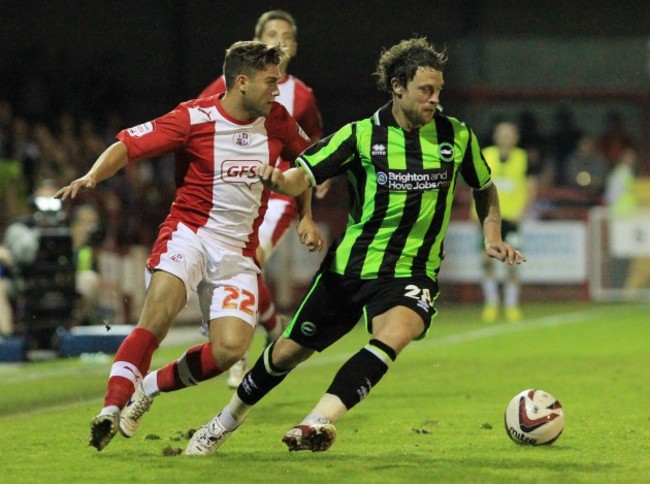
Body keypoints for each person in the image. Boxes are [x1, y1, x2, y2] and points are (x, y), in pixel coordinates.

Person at [177, 37, 525, 456]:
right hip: (350, 267)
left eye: (439, 91)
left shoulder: (457, 136)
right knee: (286, 353)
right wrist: (277, 179)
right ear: (398, 86)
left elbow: (485, 187)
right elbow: (300, 176)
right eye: (426, 91)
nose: (435, 100)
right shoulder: (359, 136)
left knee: (396, 333)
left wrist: (492, 236)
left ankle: (316, 421)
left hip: (412, 271)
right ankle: (225, 420)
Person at [54, 40, 324, 451]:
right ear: (241, 82)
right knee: (157, 316)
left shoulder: (279, 121)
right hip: (190, 233)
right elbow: (128, 145)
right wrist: (93, 177)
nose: (277, 90)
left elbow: (308, 165)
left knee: (230, 350)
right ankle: (109, 409)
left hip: (238, 252)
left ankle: (148, 387)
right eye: (271, 82)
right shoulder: (193, 117)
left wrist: (305, 215)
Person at [199, 9, 325, 388]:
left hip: (280, 194)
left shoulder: (301, 94)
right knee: (239, 264)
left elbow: (314, 142)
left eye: (285, 35)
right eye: (271, 34)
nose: (279, 41)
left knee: (248, 260)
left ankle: (241, 354)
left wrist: (318, 176)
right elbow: (198, 119)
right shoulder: (231, 85)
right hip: (238, 193)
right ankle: (272, 325)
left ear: (295, 47)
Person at [478, 121, 535, 323]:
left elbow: (530, 184)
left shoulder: (522, 157)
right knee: (486, 261)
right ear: (495, 136)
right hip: (488, 217)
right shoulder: (486, 154)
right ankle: (491, 304)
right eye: (501, 133)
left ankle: (511, 306)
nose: (505, 137)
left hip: (511, 217)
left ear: (515, 137)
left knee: (512, 261)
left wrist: (524, 209)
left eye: (509, 133)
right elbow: (477, 183)